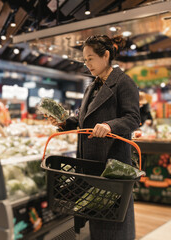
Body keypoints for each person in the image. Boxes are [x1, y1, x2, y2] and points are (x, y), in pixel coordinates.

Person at [46, 34, 140, 240]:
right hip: (90, 165)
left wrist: (109, 125)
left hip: (112, 166)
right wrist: (64, 123)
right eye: (85, 60)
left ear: (105, 56)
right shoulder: (92, 86)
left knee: (114, 223)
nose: (87, 64)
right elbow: (83, 118)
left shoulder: (124, 83)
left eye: (90, 59)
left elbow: (133, 118)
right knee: (97, 221)